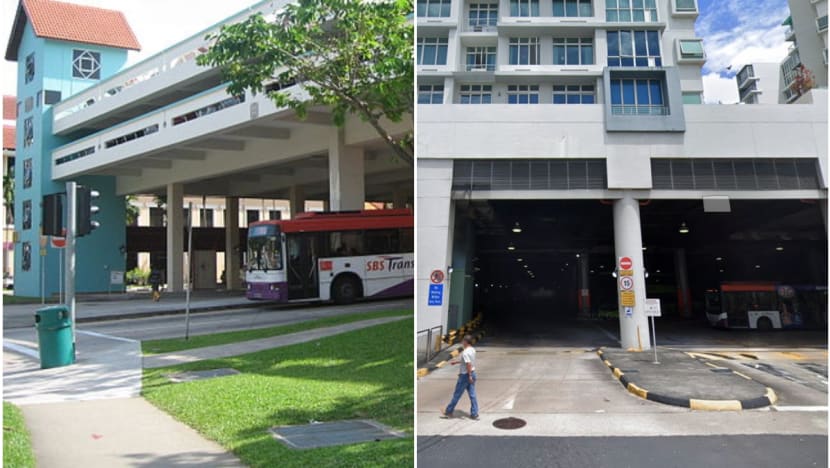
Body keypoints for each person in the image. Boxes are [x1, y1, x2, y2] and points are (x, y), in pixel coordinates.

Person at [441, 334, 479, 420]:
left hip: (465, 376)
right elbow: (468, 362)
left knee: (457, 394)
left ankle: (448, 411)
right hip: (472, 373)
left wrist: (468, 376)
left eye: (463, 341)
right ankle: (474, 413)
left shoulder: (465, 352)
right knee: (472, 395)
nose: (462, 342)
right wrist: (457, 362)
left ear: (466, 341)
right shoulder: (472, 350)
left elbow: (468, 364)